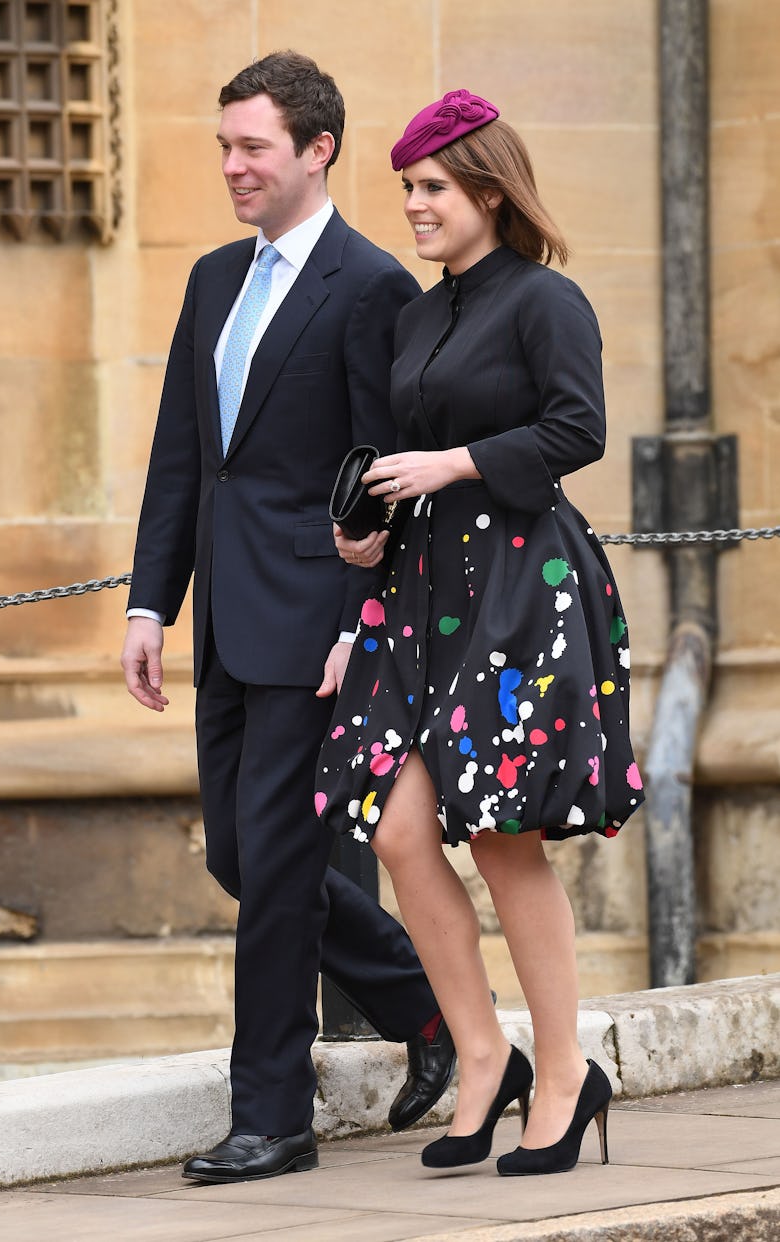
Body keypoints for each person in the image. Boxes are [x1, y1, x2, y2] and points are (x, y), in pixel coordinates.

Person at [120, 52, 458, 1185]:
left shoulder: (373, 291)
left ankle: (273, 1117)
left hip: (319, 631)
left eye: (252, 146)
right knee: (239, 854)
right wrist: (146, 605)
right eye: (224, 146)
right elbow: (185, 458)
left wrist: (365, 621)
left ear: (317, 150)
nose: (232, 166)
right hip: (224, 622)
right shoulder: (214, 279)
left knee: (273, 872)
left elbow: (391, 481)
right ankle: (435, 1010)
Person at [316, 89, 645, 1177]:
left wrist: (454, 464)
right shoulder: (419, 317)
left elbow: (578, 426)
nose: (413, 206)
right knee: (401, 832)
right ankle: (481, 1056)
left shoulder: (545, 302)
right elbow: (397, 466)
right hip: (416, 596)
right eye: (408, 188)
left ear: (489, 194)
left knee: (504, 840)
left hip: (520, 587)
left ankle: (562, 1074)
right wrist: (368, 554)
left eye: (432, 189)